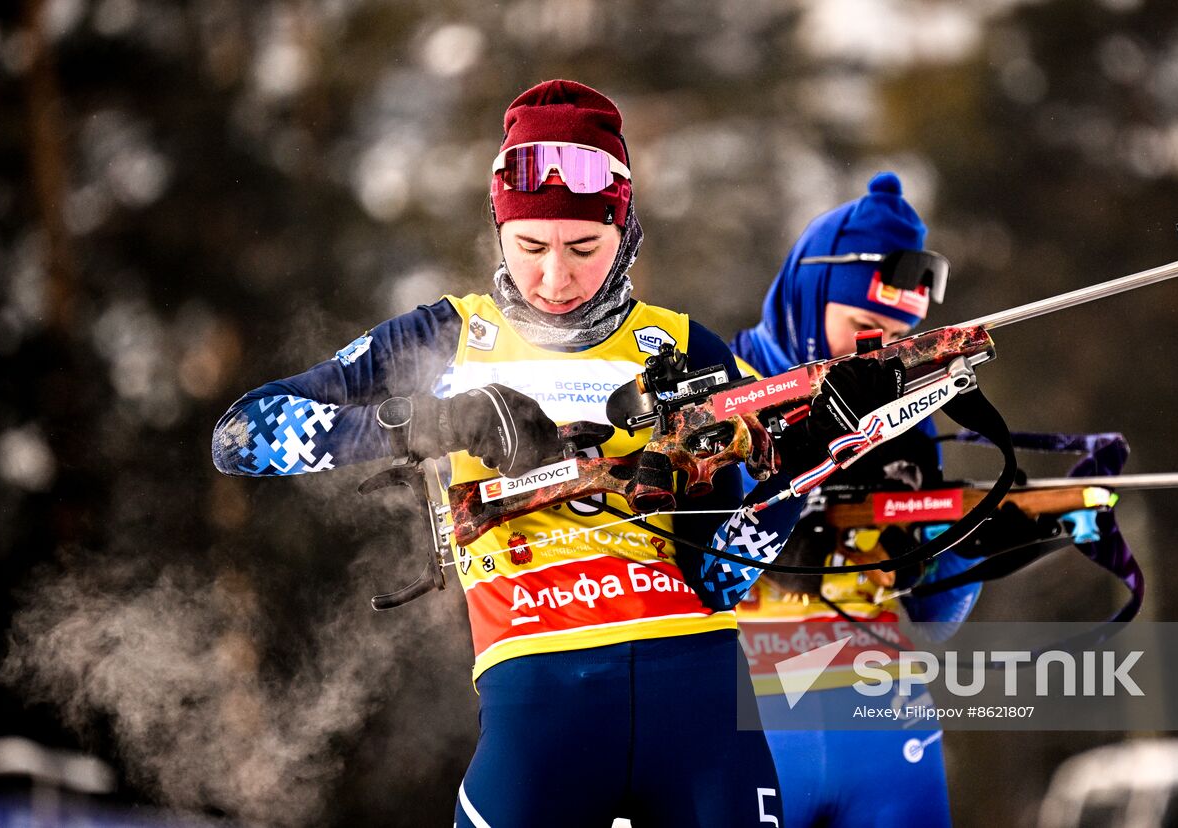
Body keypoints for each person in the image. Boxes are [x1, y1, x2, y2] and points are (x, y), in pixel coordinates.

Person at [211, 80, 890, 827]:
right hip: (537, 701)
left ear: (625, 232)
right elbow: (243, 435)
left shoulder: (689, 347)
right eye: (530, 245)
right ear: (497, 229)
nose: (555, 277)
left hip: (699, 702)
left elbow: (720, 576)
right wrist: (432, 422)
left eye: (585, 247)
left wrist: (803, 466)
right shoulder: (443, 339)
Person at [731, 172, 982, 828]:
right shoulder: (725, 399)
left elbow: (932, 618)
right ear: (810, 295)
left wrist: (954, 552)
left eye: (900, 338)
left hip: (886, 735)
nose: (881, 355)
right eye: (865, 327)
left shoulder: (909, 416)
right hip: (747, 726)